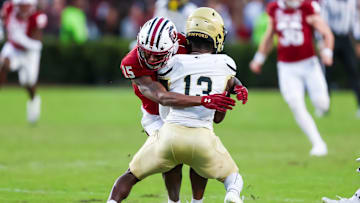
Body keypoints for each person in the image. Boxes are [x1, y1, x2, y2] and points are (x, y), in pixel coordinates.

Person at [108, 8, 248, 203]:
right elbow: (162, 97)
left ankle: (195, 201)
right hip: (155, 112)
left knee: (196, 156)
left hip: (183, 104)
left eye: (157, 56)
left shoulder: (184, 45)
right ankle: (174, 201)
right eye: (146, 54)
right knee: (171, 162)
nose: (150, 61)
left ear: (173, 47)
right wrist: (206, 100)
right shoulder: (131, 62)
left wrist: (236, 85)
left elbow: (210, 70)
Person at [250, 0, 334, 156]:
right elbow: (269, 36)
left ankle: (321, 107)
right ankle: (318, 143)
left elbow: (326, 33)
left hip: (309, 64)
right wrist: (258, 59)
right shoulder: (275, 8)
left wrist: (327, 52)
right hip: (287, 67)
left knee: (322, 103)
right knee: (295, 103)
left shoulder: (308, 7)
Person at [0, 0, 47, 124]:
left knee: (28, 82)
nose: (23, 8)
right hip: (13, 48)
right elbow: (3, 22)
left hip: (30, 54)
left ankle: (34, 100)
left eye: (26, 5)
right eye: (21, 5)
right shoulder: (9, 8)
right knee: (3, 64)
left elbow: (37, 45)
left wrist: (22, 39)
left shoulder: (38, 16)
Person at [319, 0, 360, 118]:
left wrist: (358, 41)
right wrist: (323, 41)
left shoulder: (352, 2)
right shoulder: (328, 2)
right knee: (327, 74)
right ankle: (323, 106)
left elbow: (355, 19)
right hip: (331, 38)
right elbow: (323, 20)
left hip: (346, 38)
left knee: (353, 72)